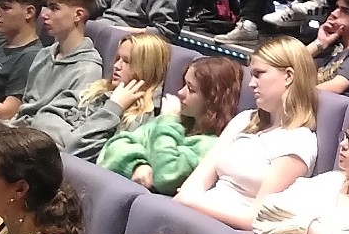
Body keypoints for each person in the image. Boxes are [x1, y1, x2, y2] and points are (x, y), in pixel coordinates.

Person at [176, 38, 317, 230]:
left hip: (232, 233)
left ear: (288, 76)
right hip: (198, 214)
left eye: (259, 74)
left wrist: (192, 203)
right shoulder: (245, 119)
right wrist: (187, 202)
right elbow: (194, 184)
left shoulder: (299, 141)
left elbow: (256, 219)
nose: (251, 84)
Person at [97, 55, 243, 195]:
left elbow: (166, 176)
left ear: (212, 100)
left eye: (191, 89)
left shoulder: (209, 145)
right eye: (184, 84)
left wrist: (168, 121)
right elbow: (113, 146)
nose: (180, 92)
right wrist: (137, 165)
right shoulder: (177, 122)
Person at [31, 30, 168, 160]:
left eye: (127, 61)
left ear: (147, 69)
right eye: (117, 58)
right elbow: (42, 118)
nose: (117, 66)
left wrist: (113, 108)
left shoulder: (140, 120)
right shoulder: (96, 89)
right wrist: (72, 138)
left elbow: (76, 151)